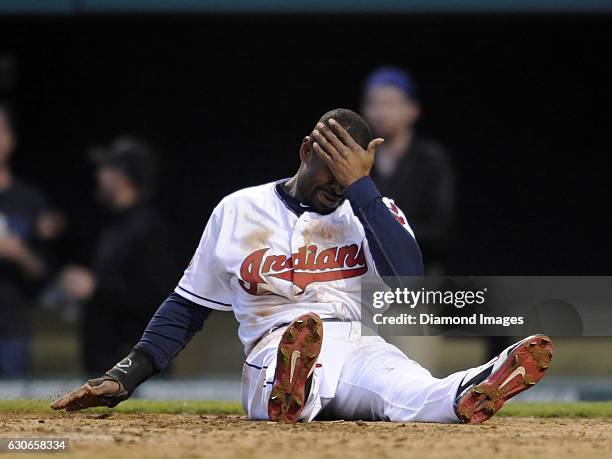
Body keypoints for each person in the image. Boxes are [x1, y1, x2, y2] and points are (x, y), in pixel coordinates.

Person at [51, 109, 552, 424]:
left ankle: (475, 386)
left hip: (356, 343)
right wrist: (128, 373)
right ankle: (291, 387)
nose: (336, 187)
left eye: (349, 178)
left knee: (412, 390)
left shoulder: (372, 209)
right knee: (289, 366)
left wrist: (363, 189)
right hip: (274, 340)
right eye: (329, 173)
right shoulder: (239, 209)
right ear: (305, 151)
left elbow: (411, 282)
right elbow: (187, 305)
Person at [58, 137, 177, 374]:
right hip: (107, 363)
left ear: (122, 176)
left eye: (106, 168)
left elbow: (158, 299)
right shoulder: (112, 224)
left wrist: (95, 288)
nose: (99, 175)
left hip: (135, 371)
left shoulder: (148, 228)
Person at [363, 67, 455, 273]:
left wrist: (384, 229)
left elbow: (440, 231)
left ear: (413, 109)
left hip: (419, 275)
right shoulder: (357, 158)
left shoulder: (431, 160)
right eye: (373, 104)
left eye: (390, 104)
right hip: (367, 278)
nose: (380, 113)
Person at [0, 103, 56, 377]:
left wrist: (19, 253)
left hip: (12, 325)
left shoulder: (29, 200)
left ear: (11, 139)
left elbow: (43, 270)